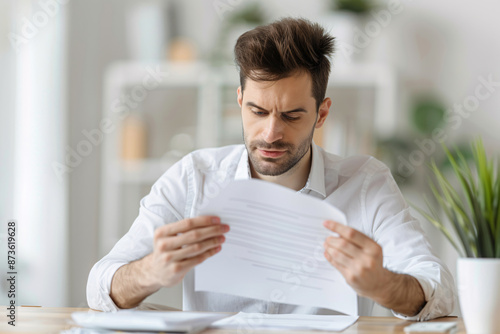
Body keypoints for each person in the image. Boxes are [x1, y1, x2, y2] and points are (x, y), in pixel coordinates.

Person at [87, 18, 455, 320]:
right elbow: (99, 287)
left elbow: (440, 290)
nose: (271, 133)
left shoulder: (365, 183)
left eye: (292, 116)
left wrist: (384, 285)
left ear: (322, 113)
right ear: (240, 101)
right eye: (257, 112)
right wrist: (151, 270)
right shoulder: (193, 177)